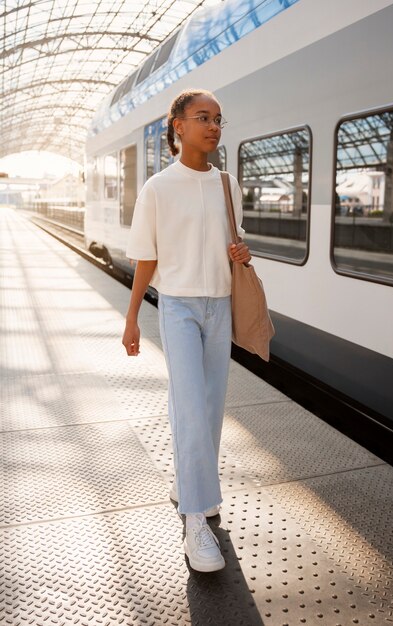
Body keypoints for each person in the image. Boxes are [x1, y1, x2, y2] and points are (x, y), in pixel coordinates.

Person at [122, 88, 251, 572]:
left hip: (220, 306)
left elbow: (234, 242)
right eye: (203, 117)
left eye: (219, 118)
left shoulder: (228, 184)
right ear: (177, 125)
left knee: (209, 407)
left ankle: (190, 483)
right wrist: (133, 316)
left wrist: (242, 252)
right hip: (177, 308)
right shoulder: (158, 188)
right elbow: (147, 257)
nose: (214, 126)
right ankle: (195, 519)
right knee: (192, 408)